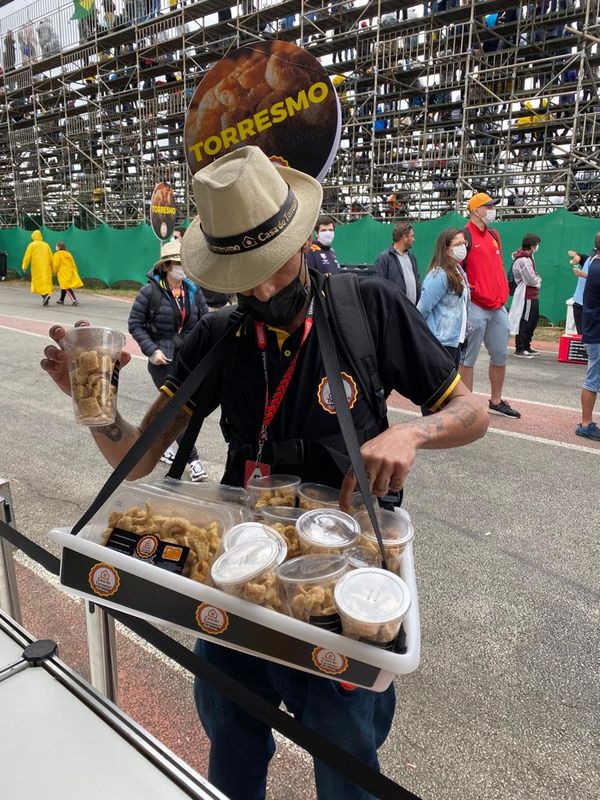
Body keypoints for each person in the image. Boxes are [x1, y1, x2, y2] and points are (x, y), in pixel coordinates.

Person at [41, 145, 488, 800]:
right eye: (242, 273)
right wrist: (95, 410)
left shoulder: (369, 309)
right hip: (240, 579)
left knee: (347, 761)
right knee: (230, 737)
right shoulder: (218, 335)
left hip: (342, 587)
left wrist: (412, 430)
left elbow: (471, 411)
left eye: (271, 266)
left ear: (303, 235)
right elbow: (135, 463)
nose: (263, 289)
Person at [128, 241, 210, 481]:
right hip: (162, 361)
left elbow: (205, 322)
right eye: (177, 264)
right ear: (166, 266)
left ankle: (169, 448)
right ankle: (193, 460)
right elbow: (135, 324)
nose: (182, 268)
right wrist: (151, 349)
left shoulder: (193, 291)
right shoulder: (149, 292)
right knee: (176, 409)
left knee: (186, 409)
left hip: (187, 359)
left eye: (184, 264)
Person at [460, 193, 521, 419]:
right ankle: (465, 404)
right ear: (476, 210)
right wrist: (472, 290)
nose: (493, 209)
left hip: (497, 305)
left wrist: (502, 291)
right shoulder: (464, 235)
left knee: (500, 355)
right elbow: (456, 271)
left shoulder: (494, 234)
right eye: (489, 206)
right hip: (476, 306)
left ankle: (496, 401)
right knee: (468, 359)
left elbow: (498, 266)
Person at [417, 228, 469, 368]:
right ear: (446, 249)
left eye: (464, 243)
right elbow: (422, 309)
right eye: (458, 244)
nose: (463, 247)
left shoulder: (459, 272)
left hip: (455, 340)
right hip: (440, 341)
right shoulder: (439, 275)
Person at [576, 253, 600, 440]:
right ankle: (586, 423)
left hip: (594, 330)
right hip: (597, 333)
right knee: (593, 379)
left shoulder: (593, 264)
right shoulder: (597, 268)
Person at [508, 233, 542, 358]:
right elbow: (530, 279)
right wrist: (538, 280)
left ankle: (527, 345)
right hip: (525, 296)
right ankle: (520, 347)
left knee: (533, 320)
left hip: (532, 295)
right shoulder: (523, 260)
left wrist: (536, 279)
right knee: (526, 321)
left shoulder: (529, 257)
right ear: (532, 246)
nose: (537, 247)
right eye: (536, 245)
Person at [374, 222, 420, 304]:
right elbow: (379, 288)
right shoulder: (384, 258)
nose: (414, 239)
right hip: (395, 312)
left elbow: (417, 282)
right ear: (404, 237)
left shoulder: (411, 257)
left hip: (412, 311)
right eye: (412, 236)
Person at [568, 235, 600, 334]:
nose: (595, 253)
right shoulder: (591, 257)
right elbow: (575, 255)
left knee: (591, 339)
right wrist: (576, 255)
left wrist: (584, 275)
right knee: (581, 337)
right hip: (579, 303)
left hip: (591, 306)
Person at [22, 230, 53, 306]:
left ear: (33, 236)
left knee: (37, 283)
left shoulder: (32, 245)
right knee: (46, 283)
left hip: (37, 268)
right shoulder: (46, 245)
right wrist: (52, 267)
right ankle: (46, 297)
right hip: (46, 268)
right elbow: (51, 257)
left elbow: (27, 256)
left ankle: (45, 296)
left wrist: (24, 266)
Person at [53, 241, 83, 306]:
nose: (56, 247)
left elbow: (56, 265)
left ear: (59, 247)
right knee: (64, 286)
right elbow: (73, 263)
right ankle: (61, 300)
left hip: (63, 272)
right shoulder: (68, 254)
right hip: (69, 271)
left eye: (57, 246)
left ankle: (74, 300)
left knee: (66, 287)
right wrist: (75, 271)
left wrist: (53, 272)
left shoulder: (57, 254)